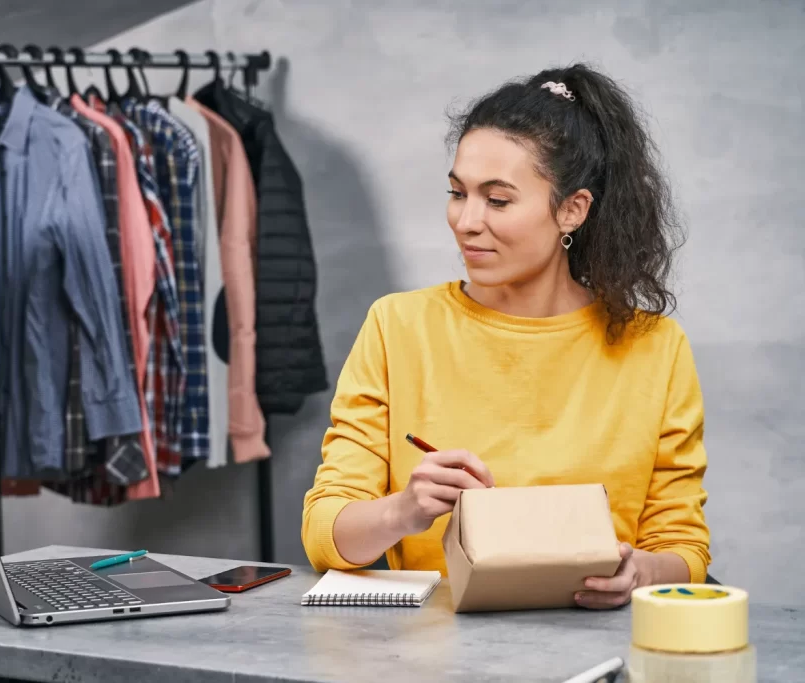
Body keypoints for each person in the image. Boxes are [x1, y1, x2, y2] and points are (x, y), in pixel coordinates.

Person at [301, 63, 710, 610]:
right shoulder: (397, 326)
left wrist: (640, 572)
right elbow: (324, 535)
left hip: (597, 639)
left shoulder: (655, 346)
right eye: (457, 193)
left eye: (497, 200)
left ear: (572, 210)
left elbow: (682, 546)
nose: (466, 221)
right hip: (430, 646)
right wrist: (405, 510)